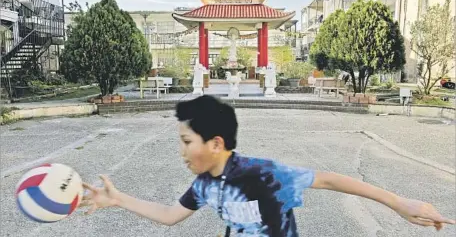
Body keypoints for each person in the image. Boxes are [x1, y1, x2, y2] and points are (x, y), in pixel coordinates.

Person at [80, 95, 455, 236]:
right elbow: (169, 215)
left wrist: (399, 203)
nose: (180, 152)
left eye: (185, 142)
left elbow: (332, 180)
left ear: (216, 143)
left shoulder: (261, 173)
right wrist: (119, 199)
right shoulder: (205, 185)